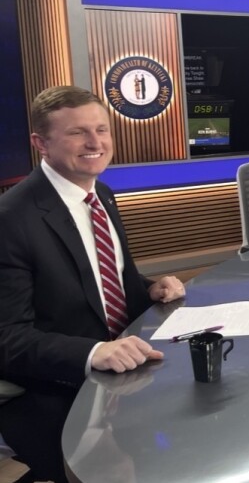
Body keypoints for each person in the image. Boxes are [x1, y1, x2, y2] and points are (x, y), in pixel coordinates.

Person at [0, 86, 186, 482]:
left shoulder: (100, 192)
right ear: (40, 144)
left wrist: (148, 287)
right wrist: (94, 352)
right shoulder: (11, 219)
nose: (95, 143)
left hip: (126, 373)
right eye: (77, 133)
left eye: (102, 130)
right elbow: (7, 338)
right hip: (55, 388)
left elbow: (96, 278)